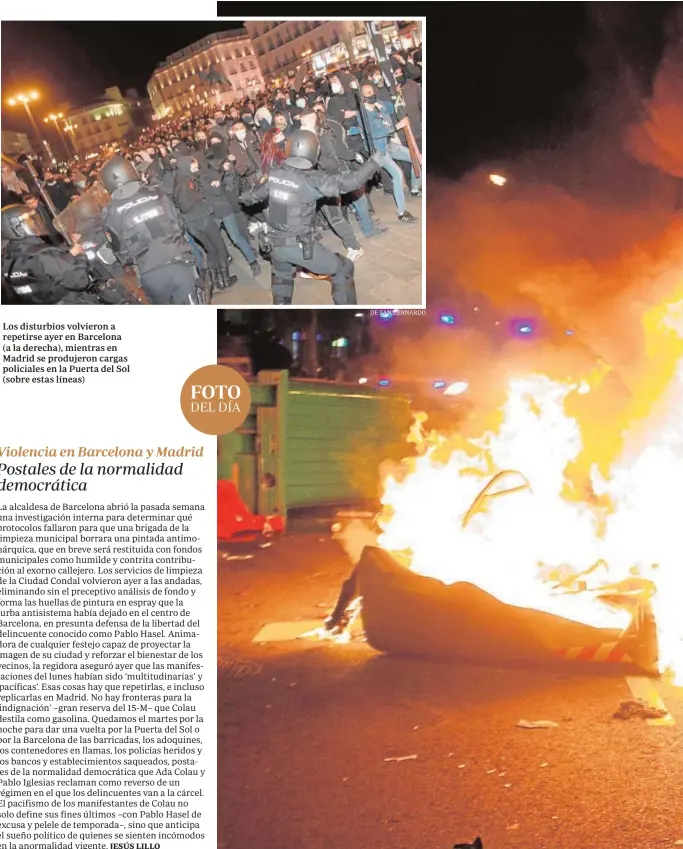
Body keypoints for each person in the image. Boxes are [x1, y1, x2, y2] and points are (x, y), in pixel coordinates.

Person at [239, 129, 381, 305]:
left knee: (283, 275)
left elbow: (248, 197)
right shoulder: (311, 179)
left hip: (274, 246)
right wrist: (374, 162)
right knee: (343, 268)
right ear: (314, 151)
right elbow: (352, 182)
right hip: (299, 247)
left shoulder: (275, 174)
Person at [99, 155, 203, 305]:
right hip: (180, 261)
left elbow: (122, 253)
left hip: (151, 273)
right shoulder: (156, 192)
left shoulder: (111, 212)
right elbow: (179, 223)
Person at [1, 203, 96, 304]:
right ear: (16, 228)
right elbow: (80, 281)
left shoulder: (6, 259)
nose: (36, 223)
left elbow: (43, 268)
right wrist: (80, 255)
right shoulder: (43, 255)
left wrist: (67, 250)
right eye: (31, 219)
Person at [172, 155, 236, 291]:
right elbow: (185, 204)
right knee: (219, 245)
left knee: (210, 249)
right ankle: (225, 279)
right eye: (193, 166)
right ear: (185, 167)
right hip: (201, 219)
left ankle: (213, 282)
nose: (196, 168)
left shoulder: (178, 180)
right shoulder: (186, 182)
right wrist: (200, 195)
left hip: (192, 224)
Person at [359, 82, 419, 222]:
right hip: (379, 151)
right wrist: (398, 125)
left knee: (414, 156)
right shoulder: (363, 115)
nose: (371, 95)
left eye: (372, 92)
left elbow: (391, 107)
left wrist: (385, 106)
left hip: (389, 143)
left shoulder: (378, 104)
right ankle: (401, 212)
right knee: (397, 174)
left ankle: (415, 189)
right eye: (367, 93)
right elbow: (375, 133)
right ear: (362, 97)